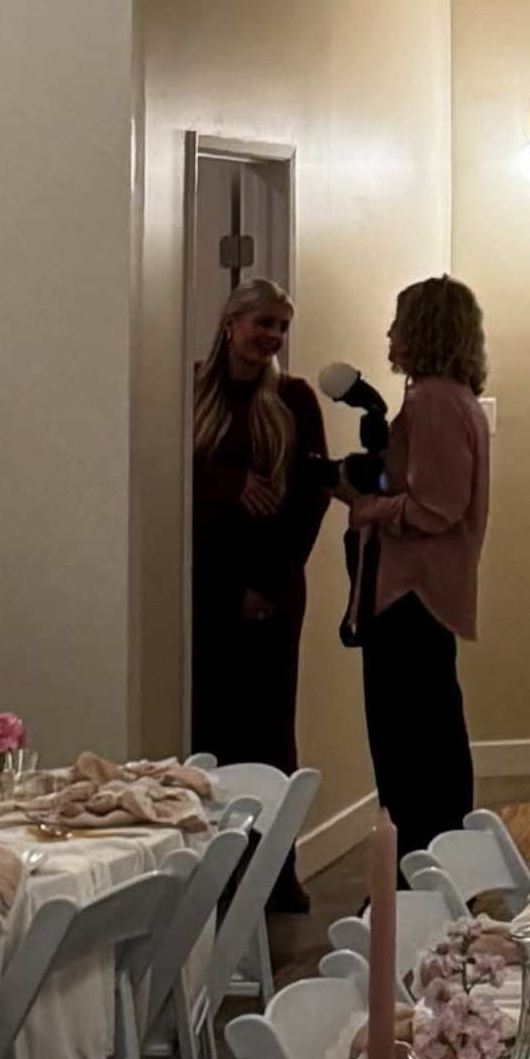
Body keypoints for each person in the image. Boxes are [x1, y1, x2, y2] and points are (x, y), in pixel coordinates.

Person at [340, 271, 495, 853]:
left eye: (400, 319)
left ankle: (416, 868)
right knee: (434, 732)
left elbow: (438, 506)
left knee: (407, 742)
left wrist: (369, 507)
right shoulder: (458, 401)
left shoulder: (432, 401)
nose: (390, 331)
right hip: (428, 592)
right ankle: (439, 861)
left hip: (411, 591)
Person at [186, 277, 335, 770]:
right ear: (231, 325)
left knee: (265, 727)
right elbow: (167, 480)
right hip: (202, 588)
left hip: (270, 588)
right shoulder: (191, 393)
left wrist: (268, 586)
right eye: (264, 323)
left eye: (282, 327)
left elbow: (312, 499)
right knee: (204, 723)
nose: (273, 335)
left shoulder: (294, 399)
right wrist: (226, 483)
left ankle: (271, 845)